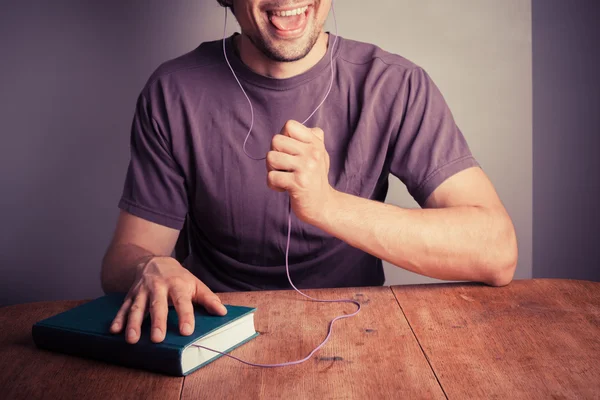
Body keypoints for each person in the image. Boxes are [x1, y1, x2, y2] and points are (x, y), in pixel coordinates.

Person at [101, 0, 518, 345]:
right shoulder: (173, 90)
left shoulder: (394, 85)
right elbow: (124, 259)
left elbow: (496, 252)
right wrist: (148, 268)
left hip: (358, 332)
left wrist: (327, 205)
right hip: (212, 335)